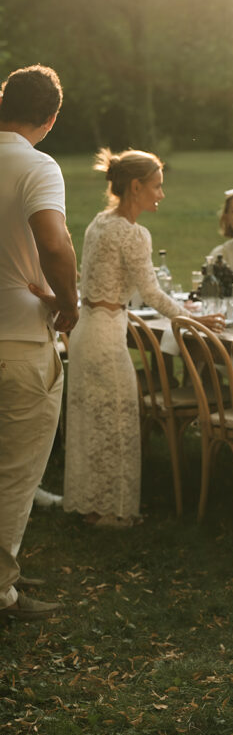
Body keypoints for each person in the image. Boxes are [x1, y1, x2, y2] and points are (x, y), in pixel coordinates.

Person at [63, 148, 224, 529]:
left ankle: (92, 505)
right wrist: (195, 318)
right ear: (135, 187)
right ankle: (115, 513)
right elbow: (151, 293)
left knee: (93, 421)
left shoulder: (99, 222)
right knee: (118, 421)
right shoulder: (133, 233)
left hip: (88, 330)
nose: (161, 195)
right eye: (157, 186)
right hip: (105, 335)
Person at [0, 65, 78, 622]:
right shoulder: (37, 166)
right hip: (21, 342)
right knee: (14, 475)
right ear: (49, 120)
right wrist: (69, 305)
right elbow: (54, 243)